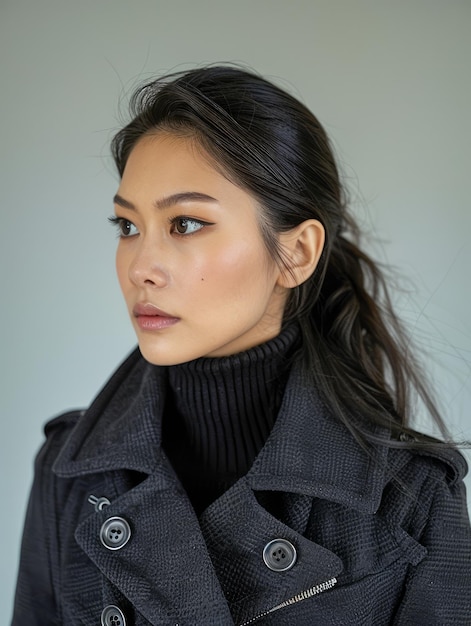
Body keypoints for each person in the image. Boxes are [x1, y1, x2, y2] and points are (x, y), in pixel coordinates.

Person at [12, 65, 470, 626]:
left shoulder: (408, 498)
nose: (141, 268)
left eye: (185, 224)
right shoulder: (71, 475)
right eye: (127, 226)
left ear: (297, 253)